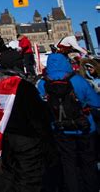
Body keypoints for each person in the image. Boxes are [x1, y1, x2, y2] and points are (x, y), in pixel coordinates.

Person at [0, 50, 54, 192]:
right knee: (30, 179)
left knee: (8, 174)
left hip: (4, 138)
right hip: (26, 139)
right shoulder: (22, 85)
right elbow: (37, 116)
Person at [37, 53, 100, 192]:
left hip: (61, 130)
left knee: (68, 164)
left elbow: (40, 108)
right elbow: (96, 102)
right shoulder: (78, 80)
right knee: (88, 163)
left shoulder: (43, 83)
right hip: (85, 128)